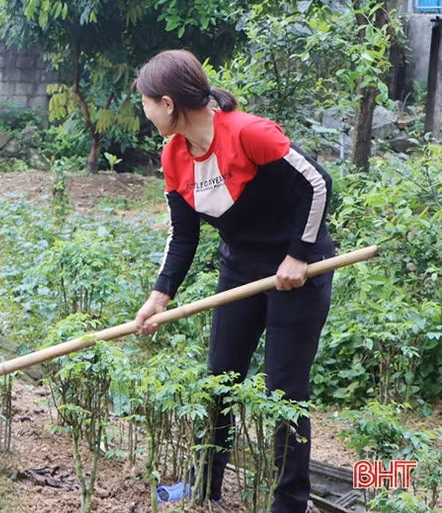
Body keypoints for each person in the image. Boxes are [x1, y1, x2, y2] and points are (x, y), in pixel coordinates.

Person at [133, 49, 334, 513]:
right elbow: (183, 235)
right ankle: (204, 484)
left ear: (167, 103)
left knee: (285, 390)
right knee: (218, 380)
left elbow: (317, 185)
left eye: (145, 103)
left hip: (297, 271)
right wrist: (159, 296)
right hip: (240, 269)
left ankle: (290, 502)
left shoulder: (248, 133)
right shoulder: (174, 155)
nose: (144, 114)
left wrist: (298, 255)